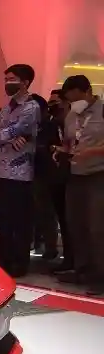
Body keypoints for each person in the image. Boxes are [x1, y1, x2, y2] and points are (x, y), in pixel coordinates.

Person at [0, 64, 40, 277]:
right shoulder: (6, 108)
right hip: (0, 171)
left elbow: (9, 131)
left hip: (19, 173)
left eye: (12, 79)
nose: (7, 83)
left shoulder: (31, 107)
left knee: (19, 220)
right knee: (2, 218)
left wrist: (3, 135)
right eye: (6, 79)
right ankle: (4, 258)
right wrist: (5, 136)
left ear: (25, 82)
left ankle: (18, 262)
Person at [56, 75, 104, 296]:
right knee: (76, 224)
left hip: (98, 174)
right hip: (74, 175)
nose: (73, 103)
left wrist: (91, 152)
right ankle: (82, 270)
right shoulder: (71, 115)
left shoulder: (102, 112)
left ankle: (100, 276)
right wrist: (62, 150)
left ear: (87, 91)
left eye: (75, 98)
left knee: (97, 227)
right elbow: (69, 141)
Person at [46, 89, 74, 272]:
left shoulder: (74, 123)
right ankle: (69, 259)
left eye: (56, 102)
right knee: (63, 221)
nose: (53, 106)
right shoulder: (52, 124)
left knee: (74, 222)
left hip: (75, 177)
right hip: (57, 178)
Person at [30, 94, 60, 260]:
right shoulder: (29, 125)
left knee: (45, 211)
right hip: (28, 172)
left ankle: (50, 246)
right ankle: (35, 241)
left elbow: (53, 148)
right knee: (32, 211)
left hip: (45, 174)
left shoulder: (51, 125)